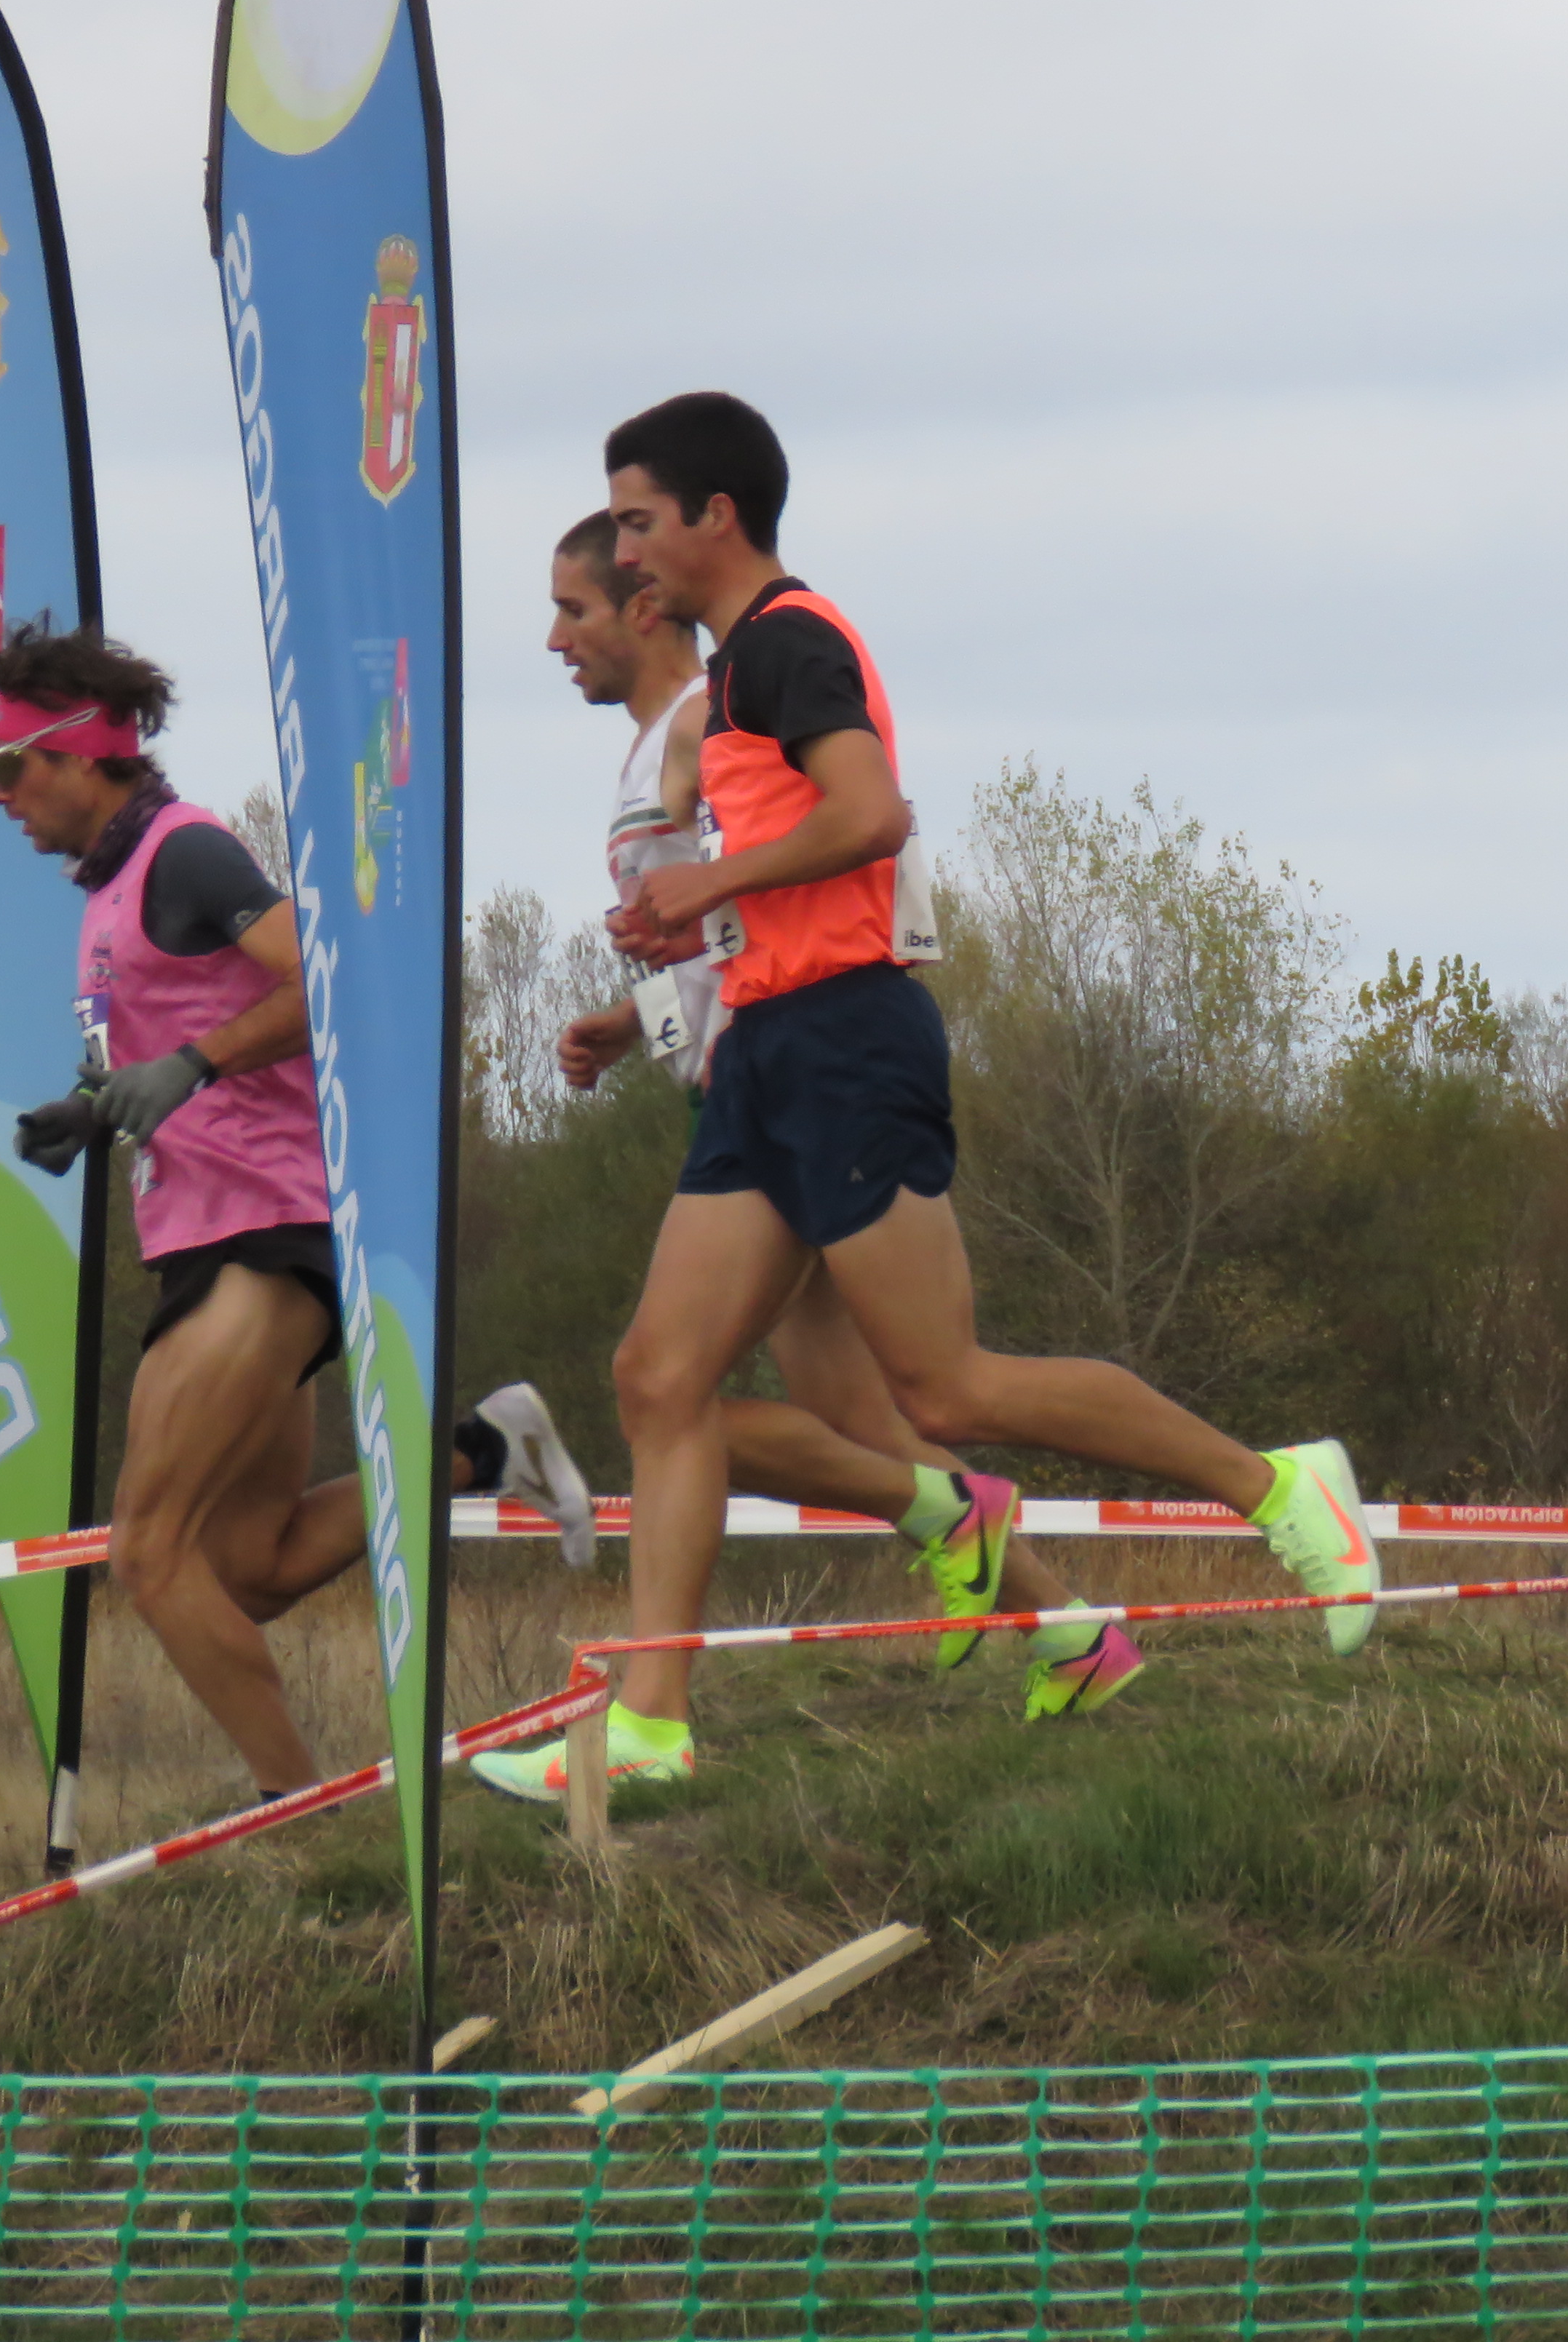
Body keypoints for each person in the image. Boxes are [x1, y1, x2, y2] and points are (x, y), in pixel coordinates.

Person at [525, 391, 1379, 1797]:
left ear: (714, 516)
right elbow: (802, 859)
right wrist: (688, 942)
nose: (622, 558)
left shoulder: (789, 638)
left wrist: (711, 879)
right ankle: (651, 1728)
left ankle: (1280, 1487)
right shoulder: (734, 674)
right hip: (763, 1050)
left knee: (946, 1386)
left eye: (634, 523)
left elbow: (873, 817)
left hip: (847, 1041)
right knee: (657, 1378)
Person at [469, 514, 1146, 1801]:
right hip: (751, 1084)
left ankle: (669, 1707)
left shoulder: (709, 722)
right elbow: (719, 926)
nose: (555, 639)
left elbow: (850, 863)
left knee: (691, 1391)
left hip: (792, 1083)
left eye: (575, 608)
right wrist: (637, 1019)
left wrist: (732, 1016)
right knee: (853, 1411)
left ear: (645, 604)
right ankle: (1072, 1632)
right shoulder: (654, 747)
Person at [0, 628, 584, 1798]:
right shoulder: (109, 890)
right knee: (247, 1568)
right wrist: (95, 1109)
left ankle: (299, 1813)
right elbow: (177, 1045)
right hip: (210, 1237)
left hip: (260, 1235)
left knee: (148, 1554)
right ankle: (484, 1448)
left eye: (10, 769)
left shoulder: (185, 852)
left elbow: (328, 976)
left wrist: (192, 1065)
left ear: (81, 752)